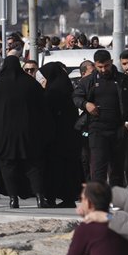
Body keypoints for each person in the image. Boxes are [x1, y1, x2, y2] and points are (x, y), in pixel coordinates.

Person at [0, 56, 51, 208]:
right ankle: (39, 197)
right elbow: (42, 106)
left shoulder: (0, 84)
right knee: (33, 165)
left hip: (5, 133)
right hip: (28, 131)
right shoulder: (30, 83)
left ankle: (13, 199)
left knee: (8, 165)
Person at [74, 50, 128, 187]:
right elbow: (76, 97)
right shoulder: (88, 81)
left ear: (111, 62)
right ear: (95, 65)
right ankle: (98, 199)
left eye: (106, 66)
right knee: (98, 167)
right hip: (96, 129)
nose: (104, 69)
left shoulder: (123, 80)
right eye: (100, 67)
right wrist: (86, 104)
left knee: (117, 167)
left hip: (118, 129)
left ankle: (116, 199)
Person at [40, 62, 82, 207]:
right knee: (69, 169)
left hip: (55, 138)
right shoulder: (66, 87)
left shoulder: (53, 91)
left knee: (53, 169)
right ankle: (69, 198)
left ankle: (51, 198)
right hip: (70, 137)